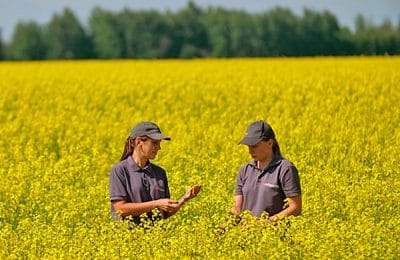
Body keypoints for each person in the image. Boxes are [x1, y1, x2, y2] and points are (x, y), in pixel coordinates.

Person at [109, 121, 201, 226]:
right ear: (139, 142)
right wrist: (156, 204)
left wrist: (184, 199)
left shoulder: (159, 173)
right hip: (128, 238)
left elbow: (164, 213)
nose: (159, 148)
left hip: (156, 237)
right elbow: (119, 209)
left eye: (159, 143)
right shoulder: (120, 170)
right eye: (155, 143)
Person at [231, 120, 302, 222]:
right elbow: (237, 208)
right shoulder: (245, 170)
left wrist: (267, 223)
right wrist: (220, 231)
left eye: (254, 146)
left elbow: (295, 208)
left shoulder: (285, 169)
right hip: (246, 235)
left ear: (270, 143)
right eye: (248, 146)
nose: (250, 151)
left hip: (275, 235)